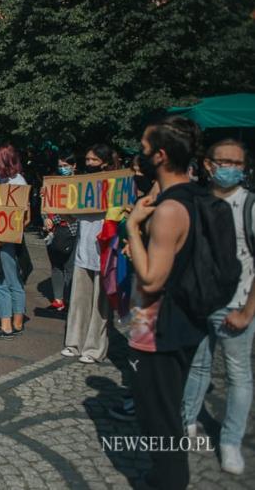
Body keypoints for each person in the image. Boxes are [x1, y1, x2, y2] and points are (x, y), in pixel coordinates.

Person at [126, 116, 207, 490]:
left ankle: (168, 481)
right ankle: (162, 475)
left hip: (161, 324)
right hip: (184, 321)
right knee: (161, 409)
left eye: (143, 150)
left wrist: (132, 230)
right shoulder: (197, 195)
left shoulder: (170, 209)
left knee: (160, 418)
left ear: (159, 155)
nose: (139, 156)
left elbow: (153, 278)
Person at [182, 139, 255, 475]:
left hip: (236, 305)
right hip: (197, 303)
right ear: (208, 164)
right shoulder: (196, 201)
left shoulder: (251, 205)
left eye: (236, 163)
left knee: (239, 376)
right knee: (197, 366)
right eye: (223, 161)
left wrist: (247, 311)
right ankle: (187, 423)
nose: (230, 168)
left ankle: (229, 441)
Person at [61, 144, 115, 363]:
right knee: (79, 300)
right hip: (84, 248)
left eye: (94, 160)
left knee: (100, 302)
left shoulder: (114, 183)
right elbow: (75, 215)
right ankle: (74, 343)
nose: (90, 163)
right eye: (88, 160)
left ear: (104, 162)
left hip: (104, 247)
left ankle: (94, 348)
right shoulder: (82, 183)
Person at [0, 145, 29, 340]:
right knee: (13, 280)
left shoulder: (17, 183)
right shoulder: (0, 179)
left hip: (5, 240)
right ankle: (16, 323)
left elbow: (24, 218)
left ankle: (6, 326)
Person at [41, 151, 78, 313]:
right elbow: (45, 206)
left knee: (70, 266)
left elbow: (75, 213)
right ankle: (58, 300)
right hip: (53, 231)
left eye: (66, 166)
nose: (62, 169)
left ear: (74, 166)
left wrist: (54, 219)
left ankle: (70, 299)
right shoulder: (52, 183)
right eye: (60, 166)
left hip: (71, 230)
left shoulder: (79, 184)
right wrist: (45, 220)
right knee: (55, 265)